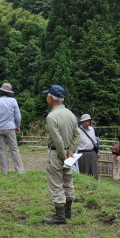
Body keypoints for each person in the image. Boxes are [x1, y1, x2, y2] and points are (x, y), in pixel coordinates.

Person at [42, 84, 80, 224]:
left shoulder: (51, 116)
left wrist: (63, 154)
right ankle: (68, 211)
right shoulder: (71, 114)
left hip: (56, 154)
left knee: (56, 183)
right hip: (69, 154)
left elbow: (57, 139)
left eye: (48, 95)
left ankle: (59, 215)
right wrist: (71, 150)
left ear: (51, 98)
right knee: (67, 181)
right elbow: (77, 134)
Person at [0, 83, 25, 173]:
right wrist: (18, 126)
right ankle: (19, 170)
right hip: (10, 128)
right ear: (9, 92)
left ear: (1, 91)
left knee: (2, 150)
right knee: (14, 149)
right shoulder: (13, 101)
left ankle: (5, 171)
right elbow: (18, 116)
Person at [77, 114, 100, 179]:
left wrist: (97, 151)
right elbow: (75, 143)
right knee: (84, 172)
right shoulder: (78, 131)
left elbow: (94, 141)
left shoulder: (92, 129)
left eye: (88, 121)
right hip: (82, 154)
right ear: (81, 122)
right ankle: (84, 187)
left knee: (94, 172)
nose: (87, 123)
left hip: (92, 152)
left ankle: (94, 187)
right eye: (85, 121)